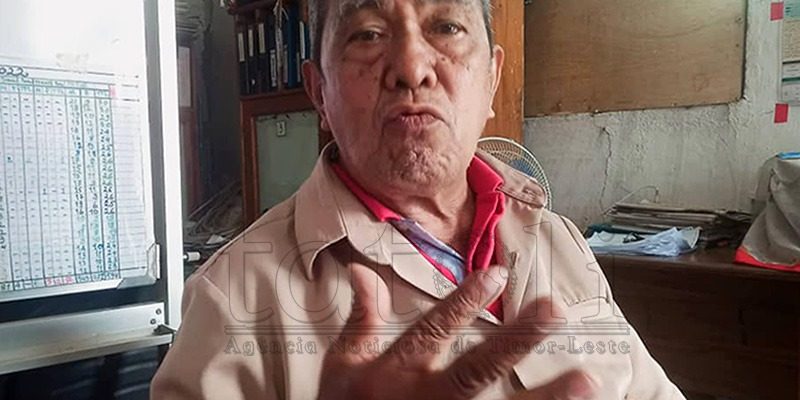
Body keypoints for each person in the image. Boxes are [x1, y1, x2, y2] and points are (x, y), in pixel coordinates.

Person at [151, 0, 685, 398]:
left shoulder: (558, 238)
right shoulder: (231, 299)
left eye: (446, 27)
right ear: (319, 93)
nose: (411, 66)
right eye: (367, 34)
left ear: (492, 78)